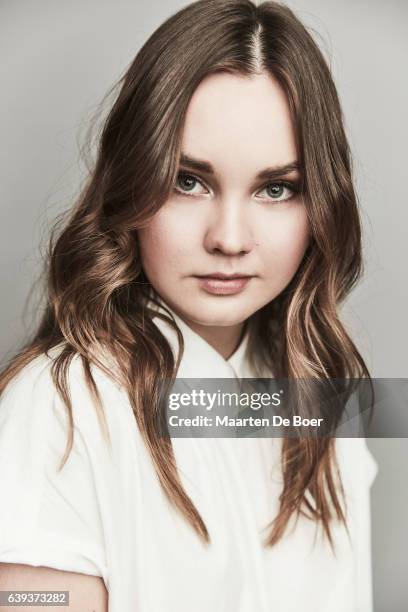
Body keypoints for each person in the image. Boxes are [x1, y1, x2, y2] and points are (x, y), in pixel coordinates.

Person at [0, 1, 378, 610]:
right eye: (188, 181)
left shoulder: (328, 403)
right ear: (132, 183)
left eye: (276, 189)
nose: (228, 238)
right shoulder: (58, 410)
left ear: (321, 208)